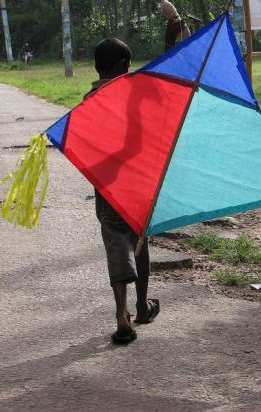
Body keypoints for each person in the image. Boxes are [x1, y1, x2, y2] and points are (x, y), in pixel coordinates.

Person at [87, 38, 160, 344]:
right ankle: (142, 307)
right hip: (136, 184)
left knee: (117, 246)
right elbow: (142, 140)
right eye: (128, 67)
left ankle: (121, 312)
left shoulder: (88, 99)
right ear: (121, 67)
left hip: (106, 187)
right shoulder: (131, 95)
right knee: (139, 242)